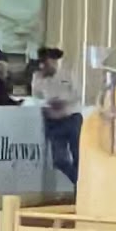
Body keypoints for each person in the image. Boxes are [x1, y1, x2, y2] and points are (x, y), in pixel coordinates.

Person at [31, 46, 82, 184]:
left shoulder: (68, 74)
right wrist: (47, 104)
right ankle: (79, 181)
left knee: (79, 157)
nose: (46, 65)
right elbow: (36, 98)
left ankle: (80, 186)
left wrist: (62, 100)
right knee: (59, 159)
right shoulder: (37, 77)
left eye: (49, 62)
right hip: (53, 121)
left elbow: (77, 94)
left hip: (71, 117)